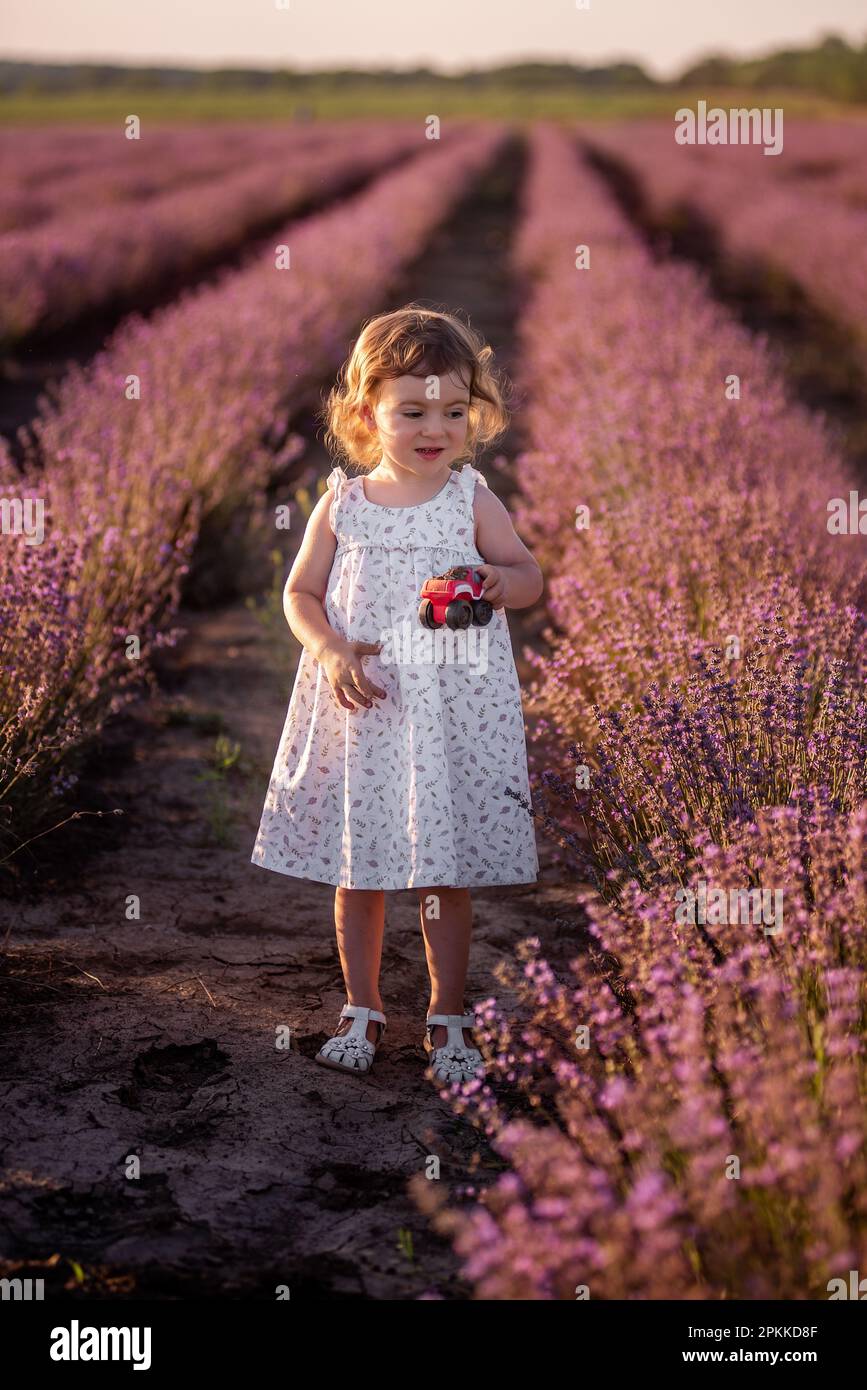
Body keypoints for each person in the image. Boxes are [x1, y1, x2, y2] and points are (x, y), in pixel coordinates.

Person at [250, 304, 542, 1084]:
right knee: (362, 863)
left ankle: (447, 1015)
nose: (433, 427)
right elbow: (300, 595)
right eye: (411, 410)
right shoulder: (342, 504)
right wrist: (330, 648)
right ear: (364, 412)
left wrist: (493, 580)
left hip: (450, 712)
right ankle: (363, 1007)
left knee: (443, 868)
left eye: (452, 410)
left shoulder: (469, 497)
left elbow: (528, 575)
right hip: (366, 704)